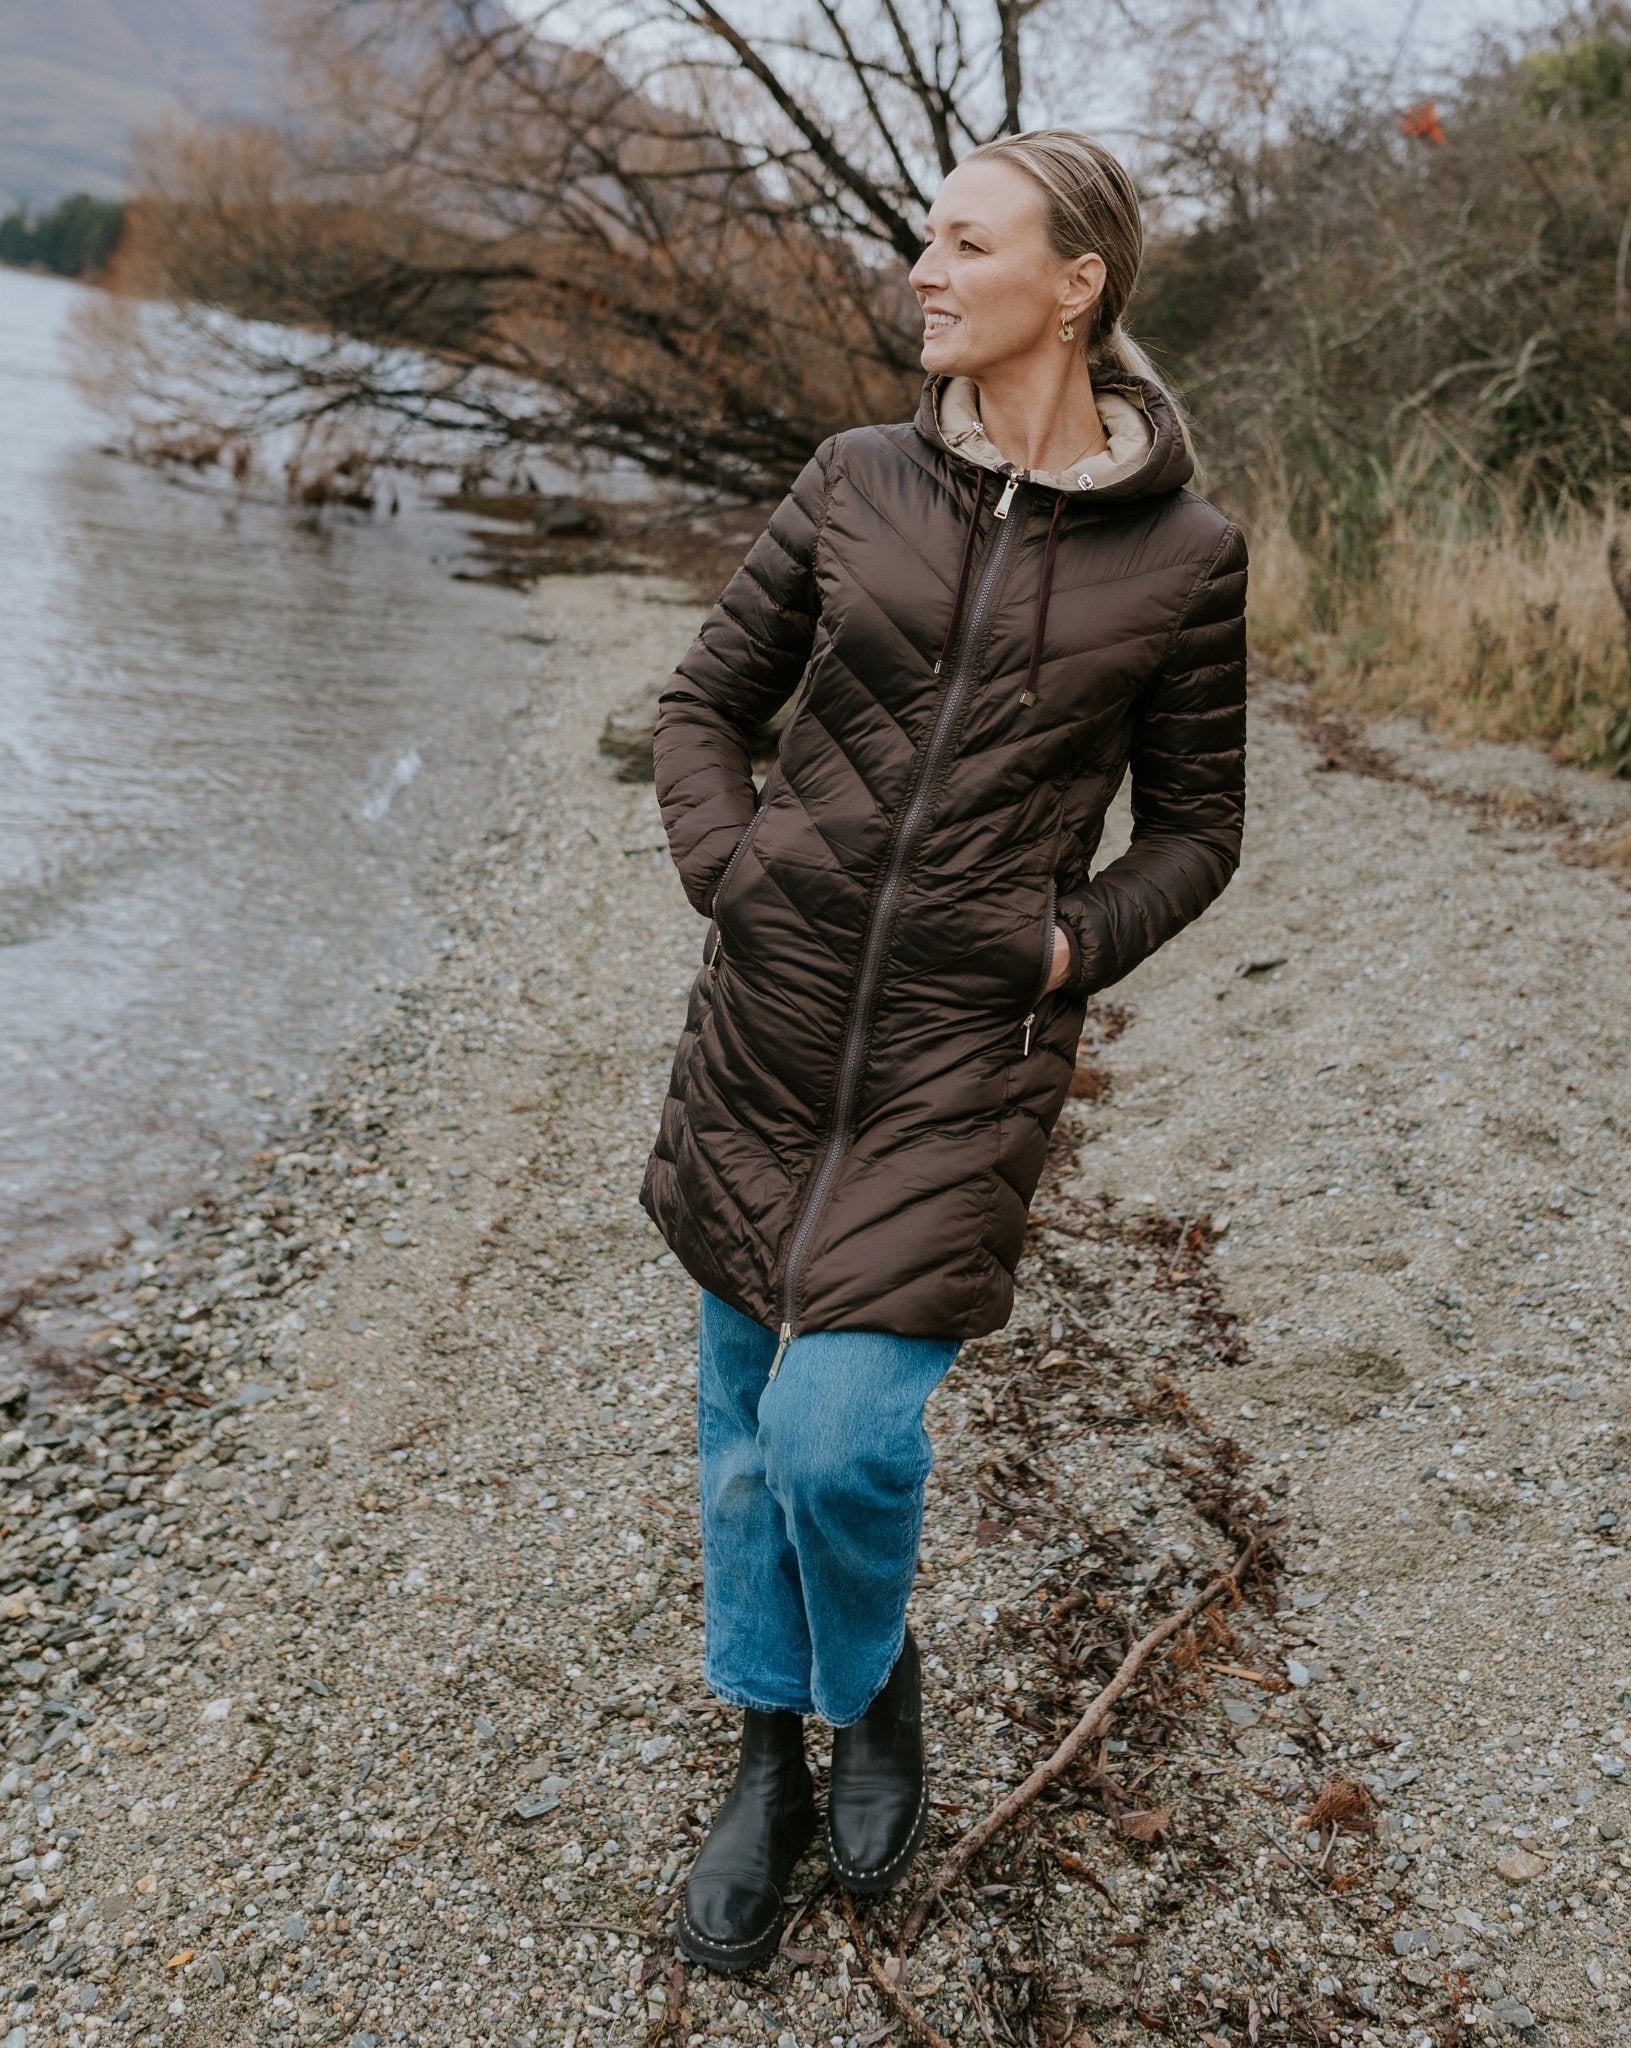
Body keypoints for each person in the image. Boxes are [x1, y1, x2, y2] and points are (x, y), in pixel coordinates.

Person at [640, 126, 1247, 1972]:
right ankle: (769, 1752)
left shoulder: (1187, 558)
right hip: (769, 1030)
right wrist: (738, 876)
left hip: (958, 1067)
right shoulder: (853, 479)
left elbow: (1198, 831)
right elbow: (702, 706)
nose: (924, 269)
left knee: (836, 1441)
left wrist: (1066, 948)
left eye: (967, 243)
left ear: (1076, 285)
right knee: (741, 1442)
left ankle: (874, 1677)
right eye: (926, 238)